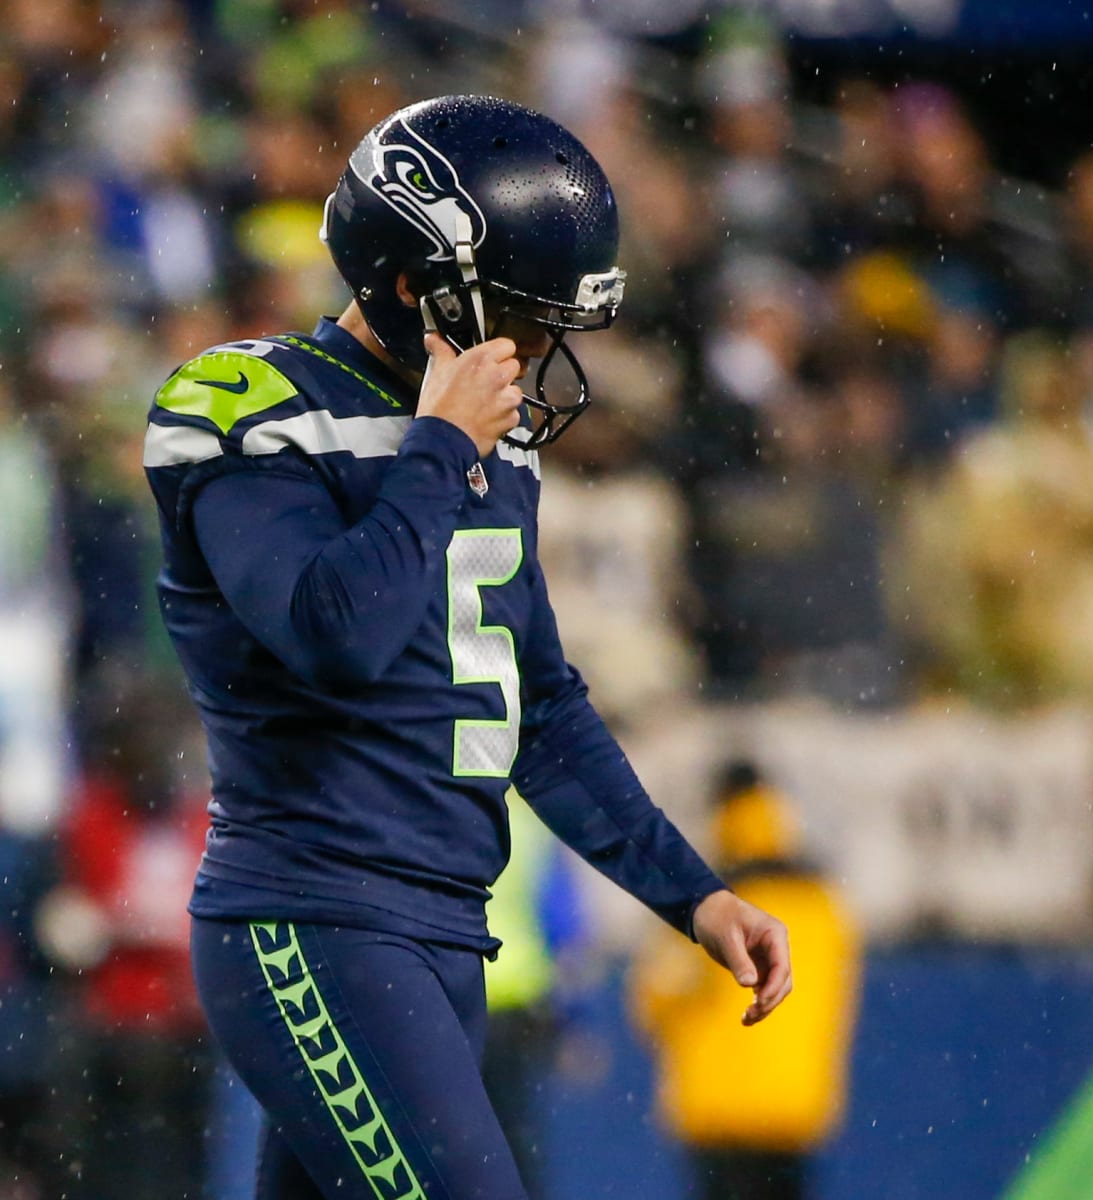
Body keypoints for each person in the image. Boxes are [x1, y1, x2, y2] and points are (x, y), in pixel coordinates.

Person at [142, 94, 791, 1200]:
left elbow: (539, 708)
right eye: (522, 321)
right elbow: (332, 633)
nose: (536, 356)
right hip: (316, 917)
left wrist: (693, 894)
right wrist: (439, 447)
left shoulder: (493, 447)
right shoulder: (250, 407)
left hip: (445, 931)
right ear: (409, 284)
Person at [629, 761, 861, 1200]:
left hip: (720, 1106)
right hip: (795, 1105)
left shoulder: (708, 903)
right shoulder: (824, 900)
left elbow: (657, 996)